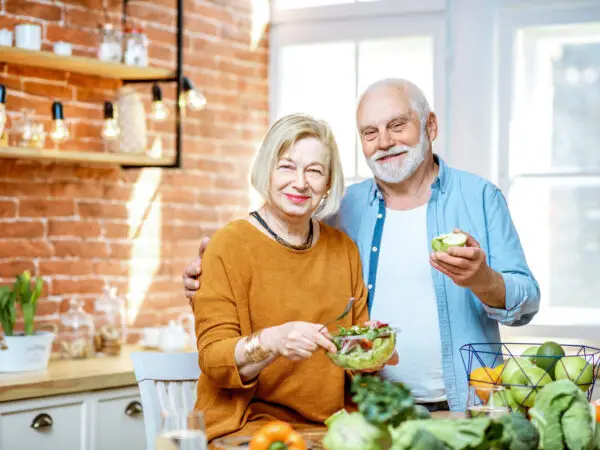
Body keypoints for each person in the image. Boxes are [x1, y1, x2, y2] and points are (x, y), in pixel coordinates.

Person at [184, 79, 540, 412]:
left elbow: (527, 302)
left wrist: (481, 279)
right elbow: (278, 251)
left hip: (466, 402)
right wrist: (211, 279)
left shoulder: (479, 197)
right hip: (372, 407)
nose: (384, 142)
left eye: (398, 125)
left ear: (430, 126)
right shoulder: (344, 209)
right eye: (370, 132)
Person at [190, 113, 392, 443]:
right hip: (245, 427)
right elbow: (214, 359)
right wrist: (273, 341)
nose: (300, 182)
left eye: (314, 171)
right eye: (286, 166)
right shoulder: (228, 244)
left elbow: (354, 361)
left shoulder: (343, 249)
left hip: (332, 428)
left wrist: (373, 351)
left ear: (327, 184)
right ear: (266, 170)